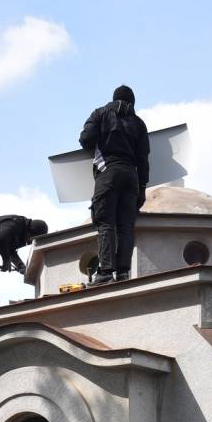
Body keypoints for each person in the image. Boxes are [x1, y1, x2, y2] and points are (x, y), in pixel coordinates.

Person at [79, 84, 150, 284]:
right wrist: (142, 188)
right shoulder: (139, 123)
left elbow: (85, 139)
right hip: (131, 177)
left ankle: (105, 272)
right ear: (132, 103)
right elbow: (143, 158)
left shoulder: (100, 113)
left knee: (105, 223)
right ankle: (123, 272)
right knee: (126, 226)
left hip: (108, 173)